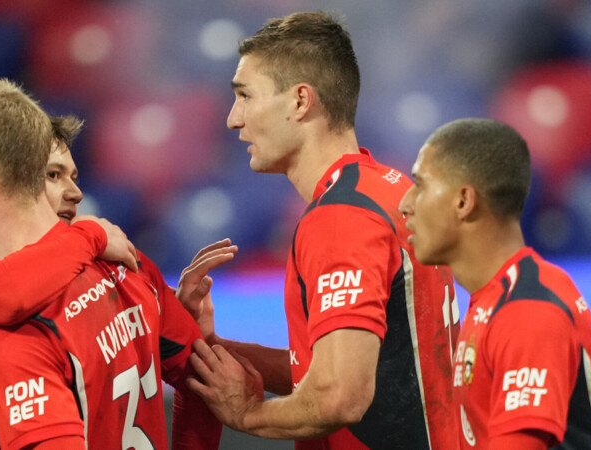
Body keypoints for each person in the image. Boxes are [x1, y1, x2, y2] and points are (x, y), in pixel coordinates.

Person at [0, 78, 226, 449]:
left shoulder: (18, 323)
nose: (75, 192)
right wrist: (91, 234)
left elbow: (209, 382)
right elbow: (211, 382)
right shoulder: (127, 264)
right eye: (53, 174)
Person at [185, 11, 459, 449]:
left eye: (245, 96)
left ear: (300, 101)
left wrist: (247, 414)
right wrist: (213, 349)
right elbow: (342, 367)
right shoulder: (390, 189)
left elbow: (339, 397)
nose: (233, 119)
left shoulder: (341, 218)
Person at [398, 118, 591, 449]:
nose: (405, 204)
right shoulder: (498, 300)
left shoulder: (528, 311)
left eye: (420, 185)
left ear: (463, 201)